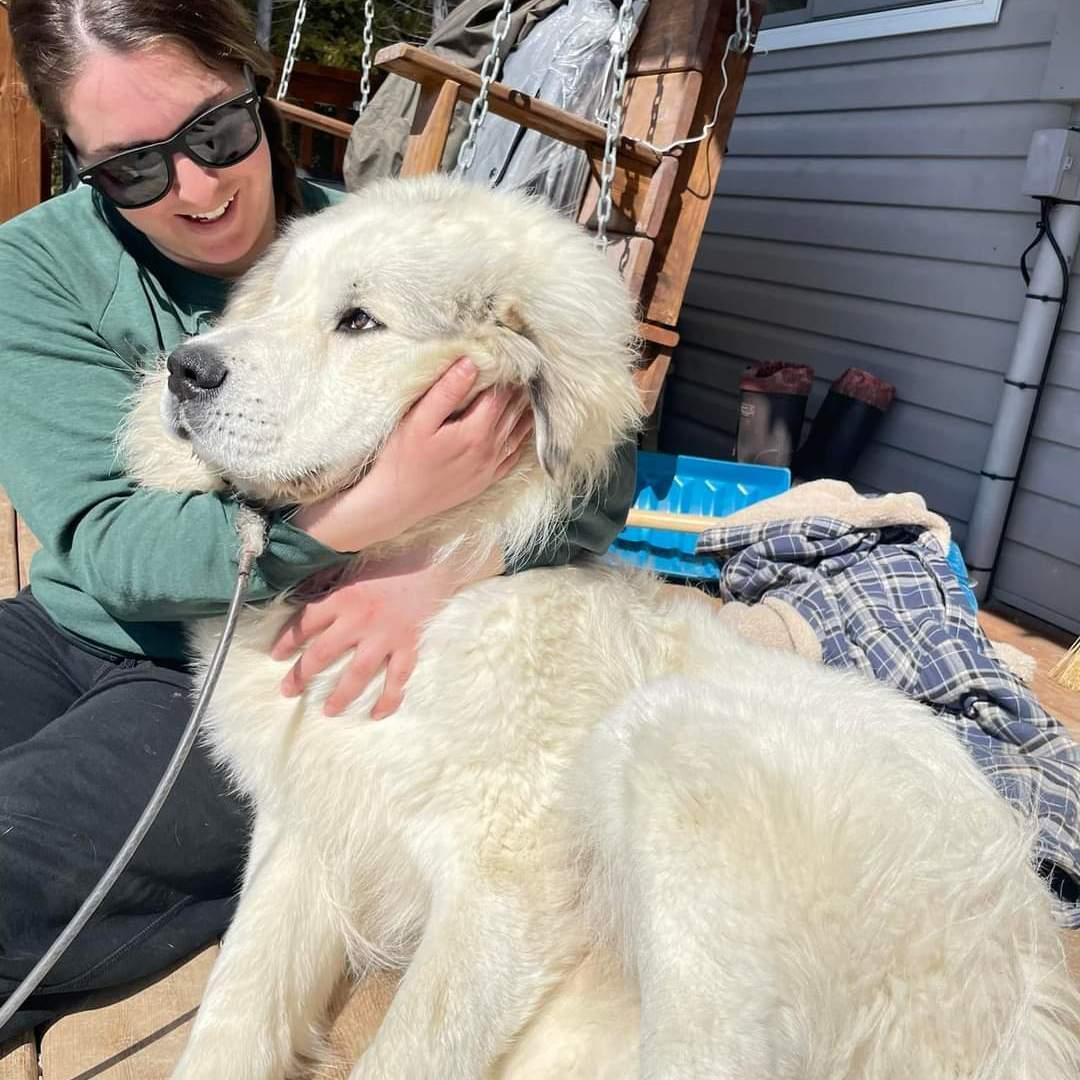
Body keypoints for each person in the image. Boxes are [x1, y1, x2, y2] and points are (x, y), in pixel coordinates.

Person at [0, 0, 635, 1042]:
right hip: (70, 625)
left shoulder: (375, 240)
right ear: (79, 162)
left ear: (257, 88)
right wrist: (375, 512)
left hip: (239, 667)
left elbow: (597, 457)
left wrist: (449, 565)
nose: (197, 188)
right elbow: (112, 544)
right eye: (132, 169)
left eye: (215, 131)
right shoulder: (34, 267)